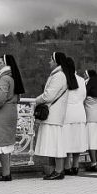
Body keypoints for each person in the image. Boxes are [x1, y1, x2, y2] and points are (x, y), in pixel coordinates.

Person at [0, 54, 25, 182]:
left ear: (6, 64)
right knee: (7, 144)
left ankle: (6, 174)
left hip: (1, 114)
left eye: (0, 62)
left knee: (2, 145)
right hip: (11, 112)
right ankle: (6, 173)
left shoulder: (4, 78)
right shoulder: (14, 78)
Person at [34, 52, 69, 180]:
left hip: (53, 114)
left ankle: (59, 170)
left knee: (56, 143)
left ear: (56, 62)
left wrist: (37, 99)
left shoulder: (58, 76)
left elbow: (49, 95)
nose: (49, 62)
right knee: (55, 143)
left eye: (51, 60)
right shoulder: (59, 75)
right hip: (54, 114)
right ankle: (57, 170)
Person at [62, 57, 87, 175]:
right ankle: (76, 165)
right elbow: (83, 96)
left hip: (67, 113)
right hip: (80, 112)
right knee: (78, 140)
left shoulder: (64, 79)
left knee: (67, 140)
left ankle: (67, 165)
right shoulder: (82, 80)